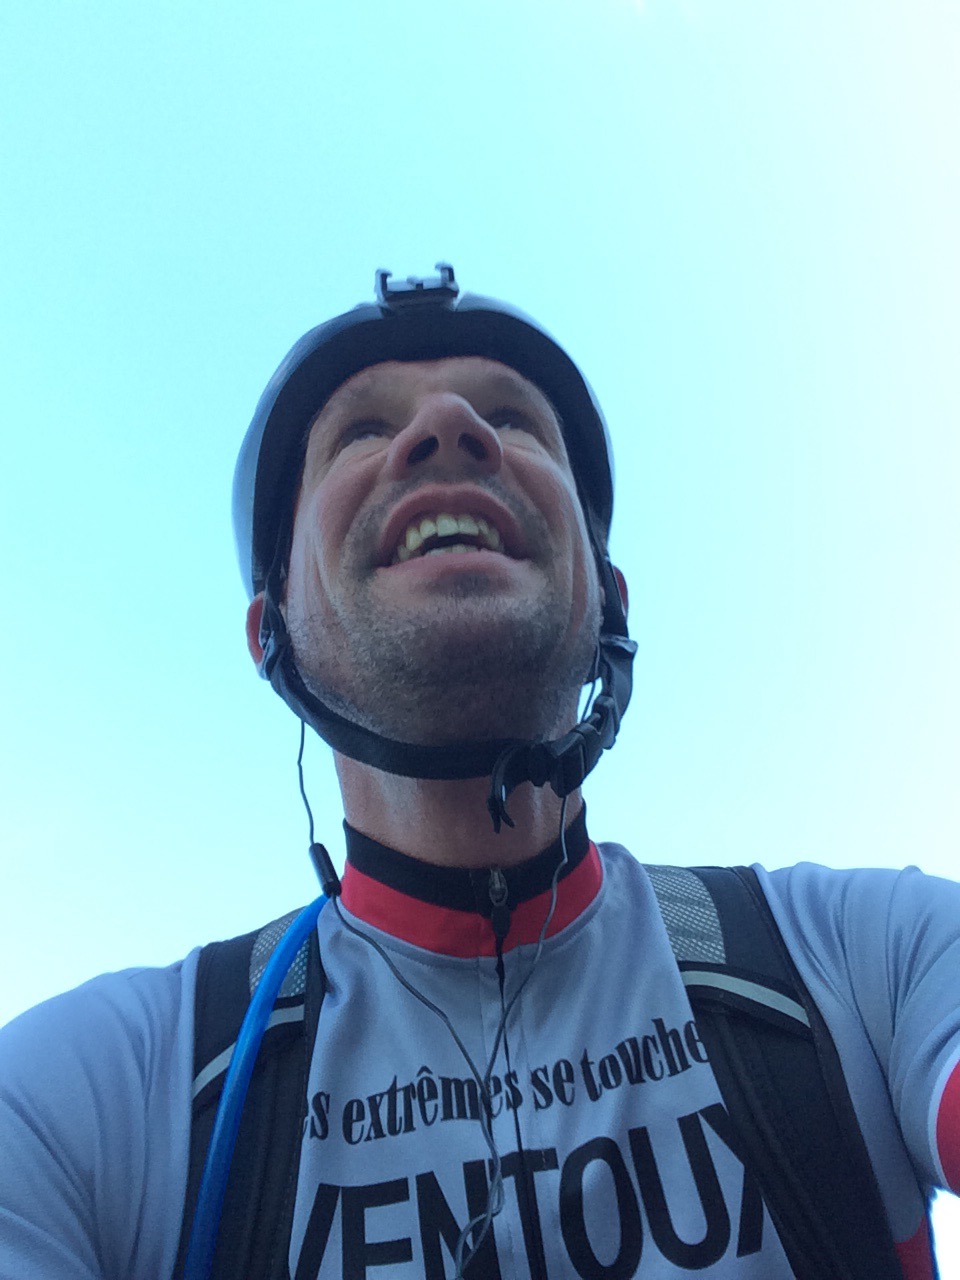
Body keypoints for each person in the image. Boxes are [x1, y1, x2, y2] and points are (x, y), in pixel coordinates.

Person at [0, 264, 957, 1280]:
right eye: (361, 430)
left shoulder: (863, 960)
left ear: (611, 598)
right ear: (269, 630)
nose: (449, 425)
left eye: (513, 419)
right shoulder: (93, 1095)